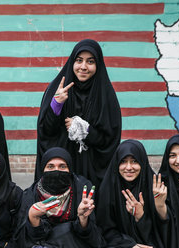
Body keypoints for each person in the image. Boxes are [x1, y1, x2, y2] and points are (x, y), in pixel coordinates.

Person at [36, 39, 121, 186]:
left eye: (90, 61)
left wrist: (86, 131)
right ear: (72, 62)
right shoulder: (57, 89)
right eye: (79, 60)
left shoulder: (105, 95)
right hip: (62, 169)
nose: (83, 67)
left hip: (92, 172)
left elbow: (110, 139)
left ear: (98, 65)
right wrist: (57, 104)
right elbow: (46, 132)